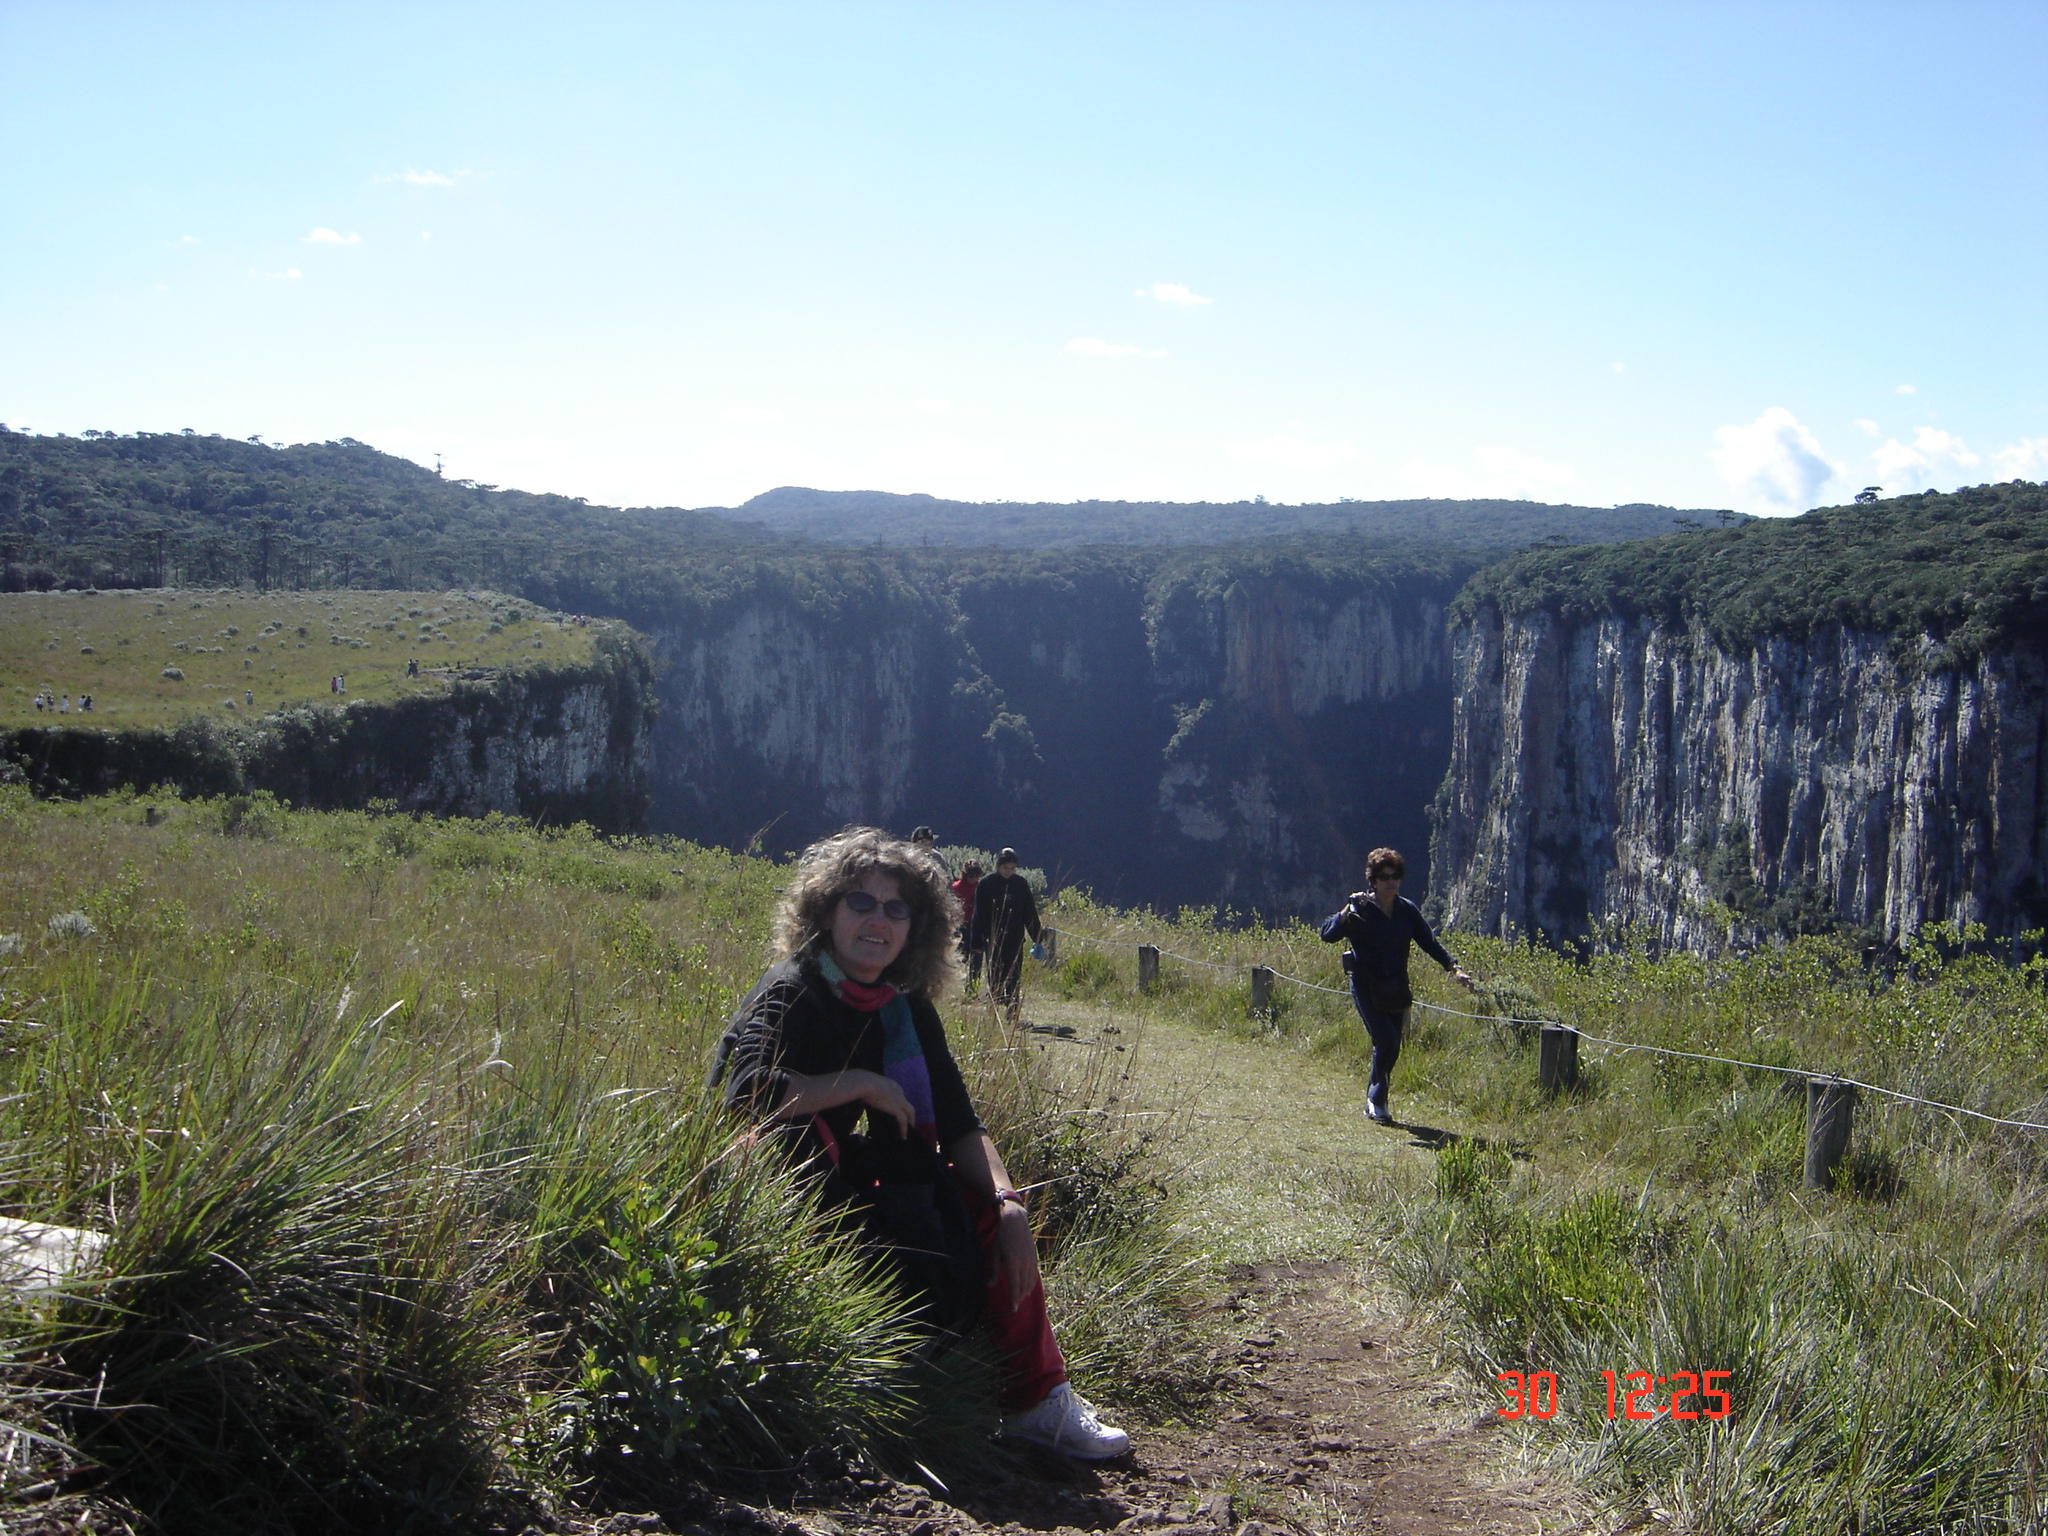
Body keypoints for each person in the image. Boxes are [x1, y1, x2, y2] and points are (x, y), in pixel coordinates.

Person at [708, 827, 1128, 1458]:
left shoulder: (902, 1008)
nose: (878, 920)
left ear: (915, 928)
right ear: (825, 911)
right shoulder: (792, 991)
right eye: (861, 902)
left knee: (977, 1206)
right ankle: (851, 1385)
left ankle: (1036, 1402)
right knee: (818, 1159)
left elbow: (959, 1123)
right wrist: (862, 1083)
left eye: (896, 908)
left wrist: (1006, 1203)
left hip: (834, 1168)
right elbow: (747, 1093)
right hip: (757, 1183)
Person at [1319, 847, 1474, 1126]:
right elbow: (1327, 935)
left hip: (1396, 986)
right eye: (1384, 877)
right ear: (1373, 881)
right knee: (1386, 1039)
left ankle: (1376, 1098)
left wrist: (1454, 968)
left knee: (1392, 1045)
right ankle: (1377, 1100)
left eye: (1395, 876)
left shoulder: (1406, 910)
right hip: (1366, 985)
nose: (1390, 882)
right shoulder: (1360, 909)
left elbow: (1429, 943)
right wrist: (1344, 912)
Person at [970, 848, 1041, 1025]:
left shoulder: (1020, 884)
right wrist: (976, 941)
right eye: (1005, 867)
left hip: (1015, 938)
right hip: (993, 938)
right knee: (994, 974)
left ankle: (1012, 1014)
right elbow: (978, 914)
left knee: (1014, 975)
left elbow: (1029, 912)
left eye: (1012, 868)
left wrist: (1037, 937)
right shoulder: (986, 884)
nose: (1008, 871)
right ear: (998, 866)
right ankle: (992, 1012)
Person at [951, 859, 985, 994]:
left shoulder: (981, 886)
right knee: (960, 958)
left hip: (977, 925)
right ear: (965, 874)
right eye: (971, 876)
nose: (974, 879)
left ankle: (972, 989)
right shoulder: (956, 887)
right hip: (961, 925)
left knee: (976, 959)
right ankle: (954, 987)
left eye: (977, 876)